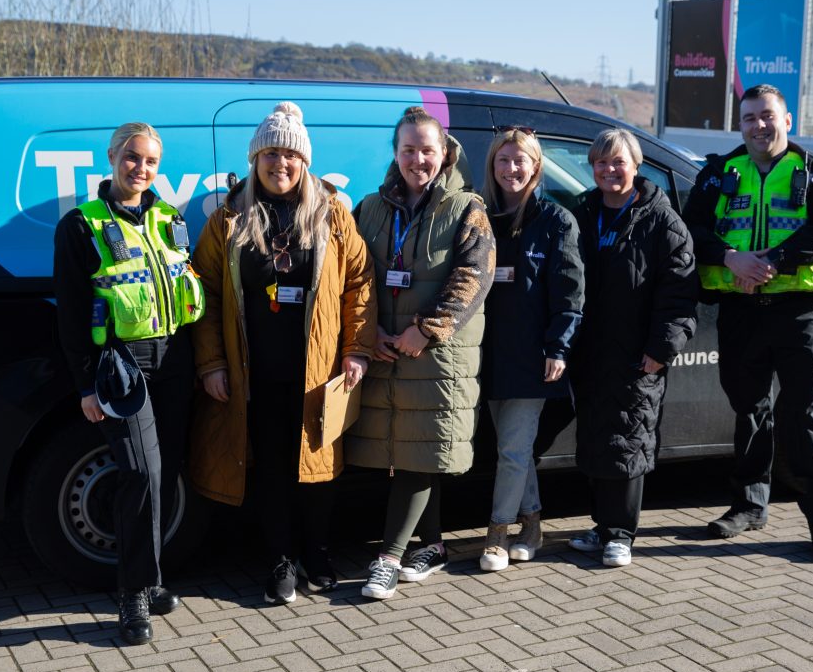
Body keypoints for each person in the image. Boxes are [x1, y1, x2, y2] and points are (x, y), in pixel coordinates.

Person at [189, 102, 376, 603]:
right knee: (270, 466)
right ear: (255, 160)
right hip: (255, 371)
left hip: (318, 370)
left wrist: (357, 349)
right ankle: (279, 559)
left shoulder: (333, 212)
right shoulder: (229, 217)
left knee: (319, 468)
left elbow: (360, 281)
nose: (280, 163)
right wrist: (210, 363)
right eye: (270, 152)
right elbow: (202, 291)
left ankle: (317, 552)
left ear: (304, 161)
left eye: (290, 153)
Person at [682, 84, 813, 562]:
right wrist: (731, 257)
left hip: (798, 312)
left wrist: (773, 261)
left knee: (808, 415)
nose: (759, 125)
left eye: (767, 116)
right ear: (740, 125)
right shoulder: (719, 173)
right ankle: (749, 505)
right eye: (749, 118)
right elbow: (690, 228)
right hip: (740, 311)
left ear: (787, 119)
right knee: (750, 410)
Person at [53, 122, 204, 644]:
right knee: (139, 475)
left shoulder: (168, 217)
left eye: (151, 162)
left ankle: (153, 578)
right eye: (132, 158)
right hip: (121, 365)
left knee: (164, 475)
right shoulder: (81, 225)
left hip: (174, 359)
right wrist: (86, 386)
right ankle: (133, 594)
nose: (141, 169)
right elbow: (72, 314)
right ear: (113, 157)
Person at [345, 106, 495, 600]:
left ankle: (387, 558)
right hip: (384, 352)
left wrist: (425, 331)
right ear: (395, 153)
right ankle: (430, 545)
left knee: (417, 456)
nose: (418, 160)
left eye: (427, 150)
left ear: (444, 153)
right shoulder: (369, 207)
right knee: (409, 452)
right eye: (408, 150)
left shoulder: (467, 206)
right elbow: (352, 277)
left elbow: (475, 276)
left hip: (436, 357)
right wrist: (370, 337)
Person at [567, 128, 698, 567]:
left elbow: (678, 293)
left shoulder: (663, 221)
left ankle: (622, 533)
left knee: (630, 438)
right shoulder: (583, 210)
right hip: (591, 350)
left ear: (636, 165)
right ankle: (602, 526)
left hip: (638, 352)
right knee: (596, 437)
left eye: (618, 161)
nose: (609, 170)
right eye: (601, 162)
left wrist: (662, 347)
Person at [477, 127, 584, 571]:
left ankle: (498, 533)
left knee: (514, 449)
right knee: (511, 447)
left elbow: (570, 293)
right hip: (486, 354)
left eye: (520, 160)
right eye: (503, 160)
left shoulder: (556, 221)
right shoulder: (479, 214)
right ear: (492, 166)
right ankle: (534, 522)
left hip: (532, 355)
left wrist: (558, 348)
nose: (511, 169)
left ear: (536, 166)